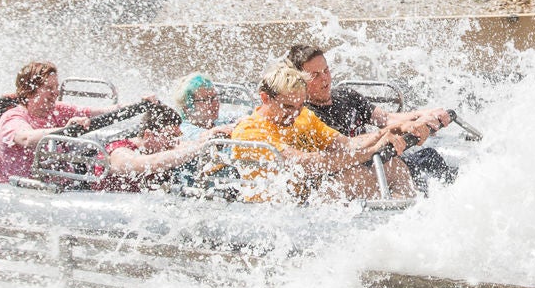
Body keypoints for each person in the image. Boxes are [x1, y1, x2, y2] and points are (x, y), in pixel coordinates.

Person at [228, 62, 416, 201]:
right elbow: (306, 164)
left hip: (310, 192)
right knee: (358, 176)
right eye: (288, 107)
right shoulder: (250, 131)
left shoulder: (303, 116)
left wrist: (386, 133)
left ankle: (399, 221)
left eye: (300, 106)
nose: (294, 114)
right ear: (265, 98)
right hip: (280, 204)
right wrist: (371, 151)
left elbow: (347, 144)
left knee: (393, 165)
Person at [286, 43, 459, 186]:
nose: (325, 79)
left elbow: (386, 118)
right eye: (315, 75)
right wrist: (399, 129)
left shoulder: (345, 95)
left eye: (326, 70)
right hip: (366, 174)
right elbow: (347, 146)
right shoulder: (307, 116)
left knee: (430, 157)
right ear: (300, 81)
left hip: (385, 161)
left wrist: (426, 114)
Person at [0, 60, 101, 183]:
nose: (56, 93)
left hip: (60, 185)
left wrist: (120, 110)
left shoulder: (56, 110)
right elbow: (27, 138)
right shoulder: (12, 118)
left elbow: (100, 112)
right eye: (49, 88)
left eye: (56, 87)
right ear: (29, 91)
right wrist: (65, 130)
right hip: (23, 189)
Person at [96, 103, 226, 192]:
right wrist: (198, 149)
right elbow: (152, 162)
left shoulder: (165, 145)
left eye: (177, 136)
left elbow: (193, 144)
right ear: (148, 135)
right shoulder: (119, 152)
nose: (174, 142)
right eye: (170, 137)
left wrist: (212, 136)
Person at [174, 73, 232, 141]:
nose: (214, 103)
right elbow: (202, 137)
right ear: (187, 108)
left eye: (214, 97)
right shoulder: (182, 129)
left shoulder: (222, 119)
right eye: (205, 100)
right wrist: (217, 131)